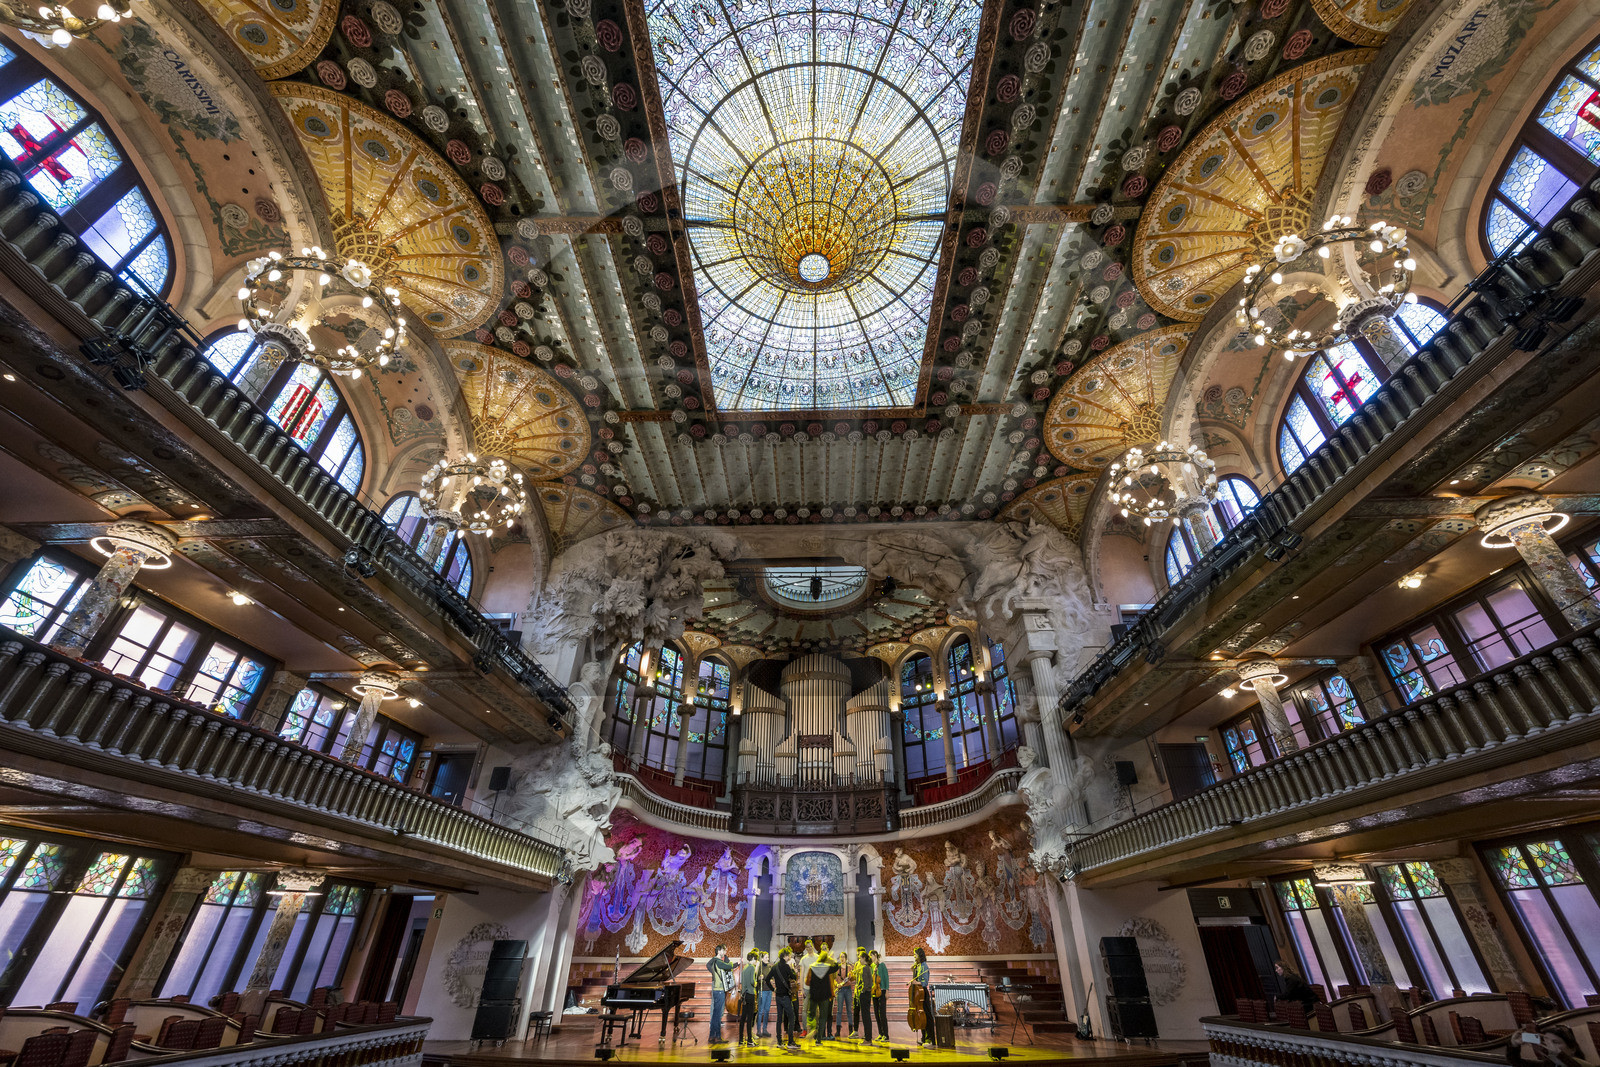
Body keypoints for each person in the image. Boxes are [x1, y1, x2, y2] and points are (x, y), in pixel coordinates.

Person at [1506, 1024, 1596, 1066]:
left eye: (1555, 1042)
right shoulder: (1549, 1064)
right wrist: (1514, 1045)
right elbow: (1516, 1062)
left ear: (1572, 1049)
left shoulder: (1583, 1064)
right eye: (1547, 1042)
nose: (1550, 1046)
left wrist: (1558, 1054)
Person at [766, 947, 801, 1050]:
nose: (789, 957)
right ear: (785, 956)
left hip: (778, 996)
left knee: (779, 1019)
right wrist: (793, 970)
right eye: (789, 955)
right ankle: (790, 1042)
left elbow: (767, 980)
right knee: (791, 1017)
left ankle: (779, 1041)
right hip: (786, 996)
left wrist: (774, 989)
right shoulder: (786, 966)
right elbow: (794, 977)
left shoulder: (775, 967)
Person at [807, 947, 840, 1043]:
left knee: (812, 1014)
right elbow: (836, 966)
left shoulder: (812, 967)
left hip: (814, 995)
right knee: (823, 1017)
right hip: (825, 995)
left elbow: (807, 981)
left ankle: (813, 1029)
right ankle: (819, 1039)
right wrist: (830, 958)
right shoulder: (827, 968)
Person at [706, 944, 737, 1044]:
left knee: (715, 1015)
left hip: (717, 990)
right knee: (718, 1014)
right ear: (719, 951)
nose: (725, 951)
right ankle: (718, 1037)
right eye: (724, 950)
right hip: (719, 990)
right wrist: (737, 963)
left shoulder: (716, 961)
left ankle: (712, 1036)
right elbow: (728, 966)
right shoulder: (718, 961)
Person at [911, 946, 934, 1046]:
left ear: (919, 955)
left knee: (927, 1017)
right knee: (921, 1017)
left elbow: (924, 982)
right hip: (919, 994)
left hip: (923, 993)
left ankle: (930, 1039)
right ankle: (924, 1038)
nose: (914, 956)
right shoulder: (918, 966)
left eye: (915, 954)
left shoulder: (924, 966)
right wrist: (913, 971)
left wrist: (917, 982)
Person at [852, 946, 873, 1042]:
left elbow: (866, 983)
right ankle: (868, 1037)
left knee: (865, 1017)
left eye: (860, 957)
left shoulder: (865, 968)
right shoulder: (867, 967)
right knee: (866, 1016)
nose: (859, 959)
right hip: (867, 994)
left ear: (864, 958)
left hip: (864, 995)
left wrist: (861, 991)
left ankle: (868, 1039)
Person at [739, 948, 760, 1046]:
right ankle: (750, 1041)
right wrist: (755, 983)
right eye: (755, 959)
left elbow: (743, 983)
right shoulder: (751, 967)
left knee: (743, 1018)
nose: (756, 961)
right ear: (752, 959)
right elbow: (752, 981)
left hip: (744, 995)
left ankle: (740, 1040)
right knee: (750, 1018)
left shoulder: (745, 967)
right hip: (750, 994)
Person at [799, 938, 819, 1036]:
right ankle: (805, 1030)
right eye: (807, 947)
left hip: (816, 988)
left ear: (813, 946)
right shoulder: (803, 959)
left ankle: (815, 1029)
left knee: (816, 1009)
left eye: (810, 946)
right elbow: (801, 974)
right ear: (805, 948)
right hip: (806, 988)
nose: (809, 948)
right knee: (804, 1010)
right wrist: (801, 988)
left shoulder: (818, 957)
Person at [870, 949, 890, 1043]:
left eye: (871, 956)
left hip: (881, 991)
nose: (870, 958)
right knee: (876, 1014)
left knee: (882, 1014)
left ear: (875, 955)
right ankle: (880, 1033)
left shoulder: (882, 965)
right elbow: (872, 978)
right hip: (874, 992)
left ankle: (886, 1035)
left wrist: (887, 990)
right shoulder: (872, 966)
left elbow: (885, 978)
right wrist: (874, 972)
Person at [756, 950, 773, 1037]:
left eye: (768, 957)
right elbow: (756, 978)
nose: (768, 959)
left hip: (769, 991)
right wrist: (759, 977)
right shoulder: (759, 967)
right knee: (760, 1011)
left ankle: (765, 1029)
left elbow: (772, 978)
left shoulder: (769, 967)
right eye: (766, 957)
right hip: (762, 991)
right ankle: (758, 1030)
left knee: (767, 1011)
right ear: (762, 958)